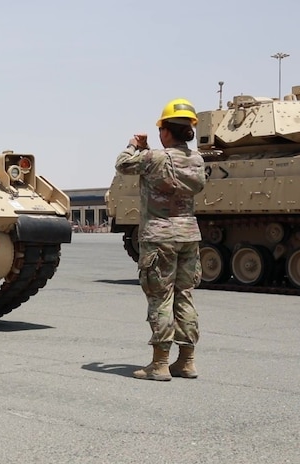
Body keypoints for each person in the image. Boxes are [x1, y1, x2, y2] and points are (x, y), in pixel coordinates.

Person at [114, 98, 206, 381]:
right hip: (188, 236)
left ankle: (160, 364)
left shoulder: (154, 158)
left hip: (159, 237)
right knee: (184, 297)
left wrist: (133, 145)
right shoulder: (196, 159)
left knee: (161, 298)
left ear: (166, 131)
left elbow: (123, 164)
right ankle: (187, 361)